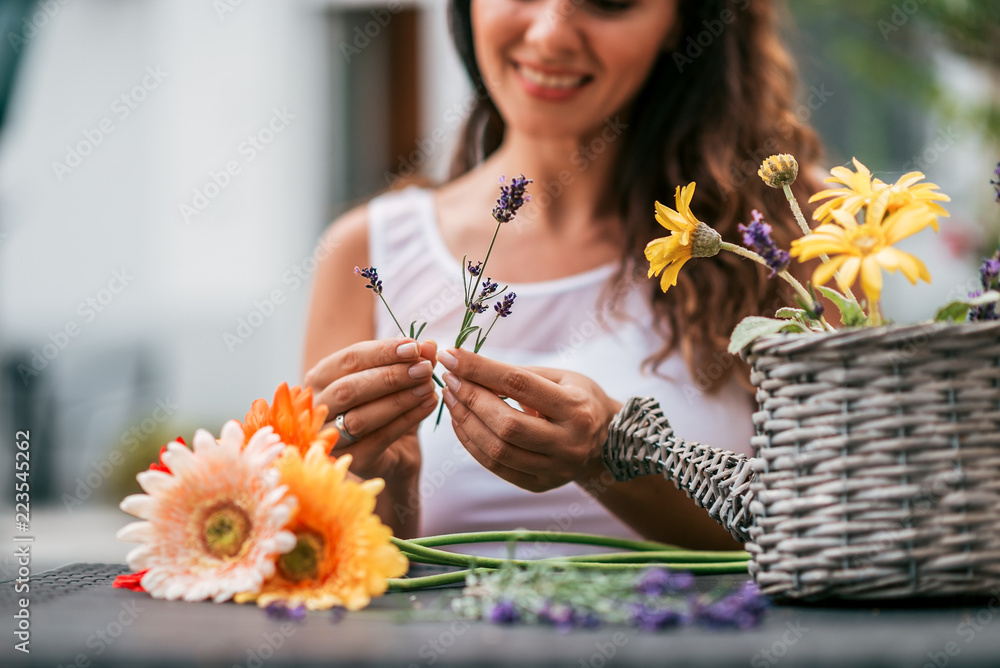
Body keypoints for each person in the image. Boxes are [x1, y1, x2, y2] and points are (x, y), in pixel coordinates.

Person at [303, 0, 822, 551]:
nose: (551, 36)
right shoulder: (366, 252)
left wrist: (612, 452)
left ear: (683, 22)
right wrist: (385, 488)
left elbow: (826, 529)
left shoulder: (783, 232)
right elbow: (347, 584)